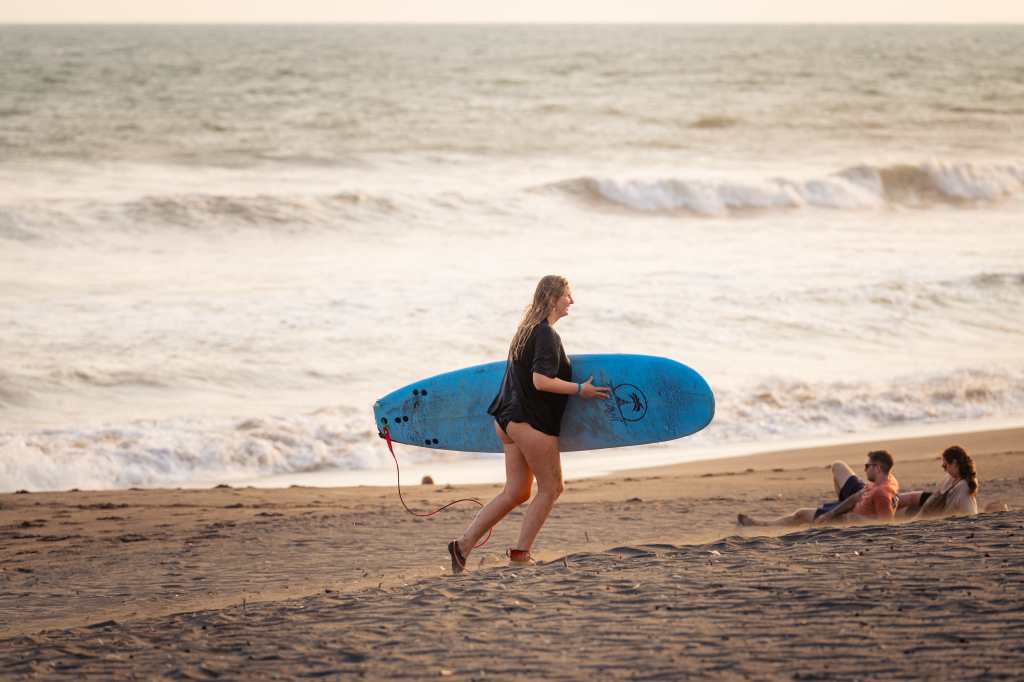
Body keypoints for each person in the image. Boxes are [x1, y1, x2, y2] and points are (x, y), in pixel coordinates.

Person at [446, 275, 610, 574]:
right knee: (551, 488)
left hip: (506, 421)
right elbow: (540, 381)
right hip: (531, 423)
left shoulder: (524, 332)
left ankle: (462, 545)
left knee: (517, 492)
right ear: (551, 298)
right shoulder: (546, 335)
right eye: (567, 296)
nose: (571, 302)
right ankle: (520, 554)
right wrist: (579, 390)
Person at [737, 450, 900, 527]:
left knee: (800, 514)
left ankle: (761, 524)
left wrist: (848, 519)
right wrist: (834, 511)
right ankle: (838, 504)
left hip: (851, 514)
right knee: (838, 466)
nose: (864, 469)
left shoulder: (881, 493)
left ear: (877, 468)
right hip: (858, 499)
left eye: (867, 466)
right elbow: (857, 496)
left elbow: (886, 524)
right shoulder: (888, 479)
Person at [897, 445, 979, 518]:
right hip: (925, 509)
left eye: (945, 466)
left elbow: (970, 514)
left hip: (927, 517)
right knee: (901, 506)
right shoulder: (951, 478)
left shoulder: (964, 487)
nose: (945, 470)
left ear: (954, 463)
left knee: (899, 514)